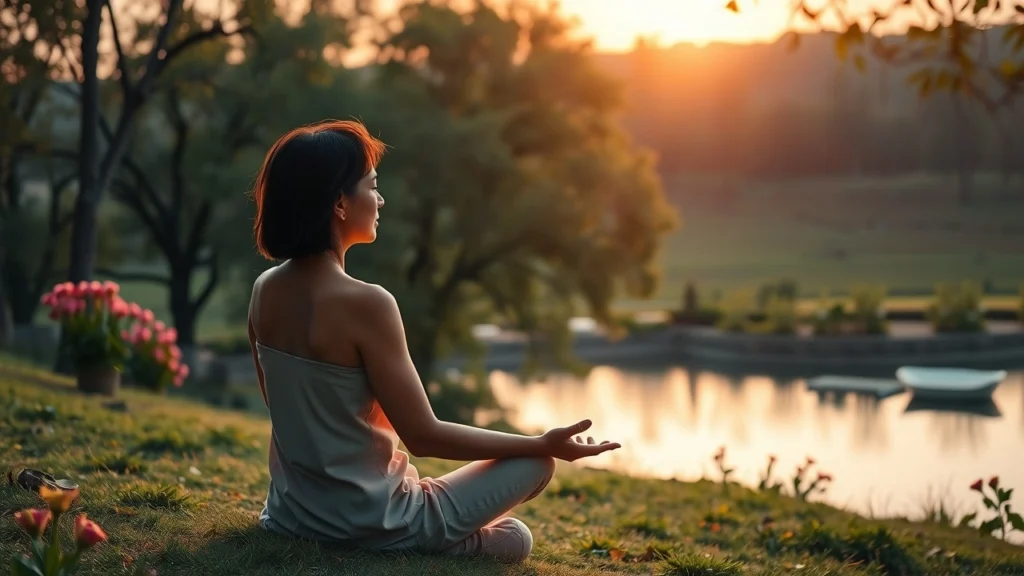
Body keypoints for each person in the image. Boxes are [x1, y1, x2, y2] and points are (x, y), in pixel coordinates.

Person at [246, 119, 621, 564]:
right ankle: (431, 542)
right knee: (527, 497)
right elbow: (424, 436)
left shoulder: (265, 289)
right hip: (377, 521)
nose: (380, 199)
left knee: (505, 523)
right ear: (340, 204)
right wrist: (541, 443)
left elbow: (282, 407)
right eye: (372, 186)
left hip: (291, 517)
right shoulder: (369, 304)